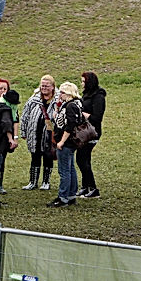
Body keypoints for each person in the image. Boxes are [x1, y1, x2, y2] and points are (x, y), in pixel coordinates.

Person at [20, 76, 59, 192]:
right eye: (42, 85)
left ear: (52, 87)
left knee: (48, 156)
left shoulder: (57, 100)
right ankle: (33, 182)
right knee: (35, 156)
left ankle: (46, 182)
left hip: (49, 135)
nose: (44, 88)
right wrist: (23, 131)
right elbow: (25, 115)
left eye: (47, 86)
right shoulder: (34, 99)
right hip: (34, 133)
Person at [48, 82, 83, 207]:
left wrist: (61, 141)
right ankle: (71, 195)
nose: (60, 95)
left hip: (66, 142)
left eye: (62, 93)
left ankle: (63, 197)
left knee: (64, 171)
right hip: (69, 143)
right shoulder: (74, 104)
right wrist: (57, 106)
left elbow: (70, 125)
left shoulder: (70, 106)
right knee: (70, 168)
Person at [76, 71, 106, 199]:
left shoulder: (98, 97)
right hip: (84, 131)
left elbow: (97, 117)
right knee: (83, 158)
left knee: (82, 159)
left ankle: (93, 188)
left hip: (92, 132)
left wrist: (82, 113)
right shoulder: (86, 95)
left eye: (83, 81)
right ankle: (85, 186)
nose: (82, 84)